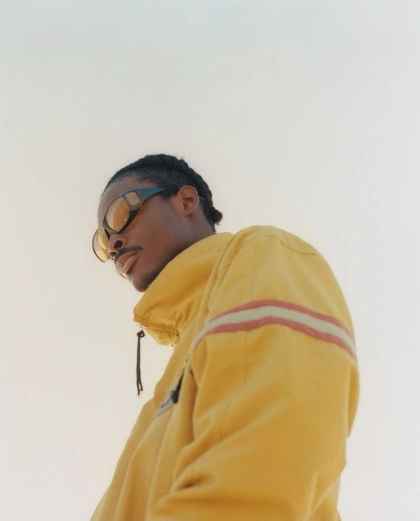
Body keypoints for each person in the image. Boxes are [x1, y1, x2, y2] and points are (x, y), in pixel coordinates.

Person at [90, 153, 359, 521]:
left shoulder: (261, 256)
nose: (114, 242)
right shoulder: (176, 372)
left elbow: (270, 449)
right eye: (103, 240)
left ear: (186, 201)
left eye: (120, 214)